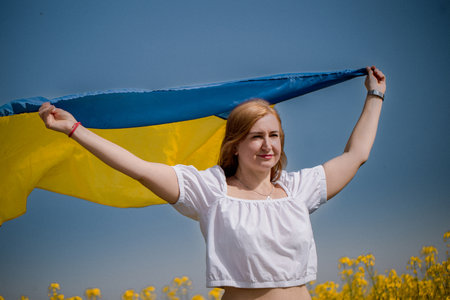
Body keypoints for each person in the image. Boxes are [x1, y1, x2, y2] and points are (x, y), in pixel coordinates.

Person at [39, 66, 386, 300]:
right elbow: (140, 168)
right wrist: (74, 129)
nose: (268, 146)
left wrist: (375, 96)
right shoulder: (211, 190)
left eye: (274, 136)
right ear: (235, 144)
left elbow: (356, 155)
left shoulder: (297, 190)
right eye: (256, 137)